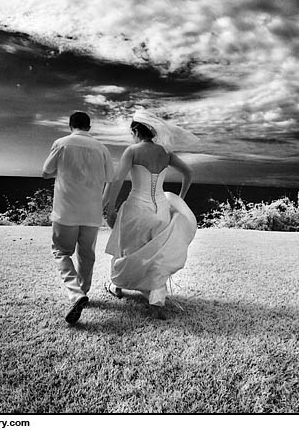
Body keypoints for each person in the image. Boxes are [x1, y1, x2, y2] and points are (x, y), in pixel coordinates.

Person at [103, 110, 198, 320]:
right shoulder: (166, 153)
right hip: (161, 209)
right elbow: (189, 173)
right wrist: (179, 198)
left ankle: (117, 286)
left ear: (136, 130)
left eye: (132, 132)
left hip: (136, 207)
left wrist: (110, 209)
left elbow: (118, 180)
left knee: (125, 247)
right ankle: (156, 301)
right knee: (157, 254)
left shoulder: (132, 151)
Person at [42, 111, 115, 324]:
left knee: (61, 252)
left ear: (70, 125)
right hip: (91, 212)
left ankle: (76, 293)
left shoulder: (61, 143)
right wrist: (100, 205)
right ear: (89, 127)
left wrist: (65, 172)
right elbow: (110, 180)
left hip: (65, 211)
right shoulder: (102, 148)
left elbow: (46, 172)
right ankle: (83, 291)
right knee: (87, 255)